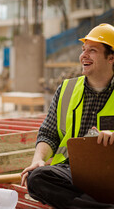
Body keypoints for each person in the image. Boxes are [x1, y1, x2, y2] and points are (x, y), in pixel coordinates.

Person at [20, 23, 114, 209]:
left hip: (109, 172)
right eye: (83, 50)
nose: (83, 56)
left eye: (92, 50)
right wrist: (38, 160)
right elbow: (48, 133)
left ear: (111, 58)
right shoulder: (66, 89)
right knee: (36, 178)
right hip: (70, 172)